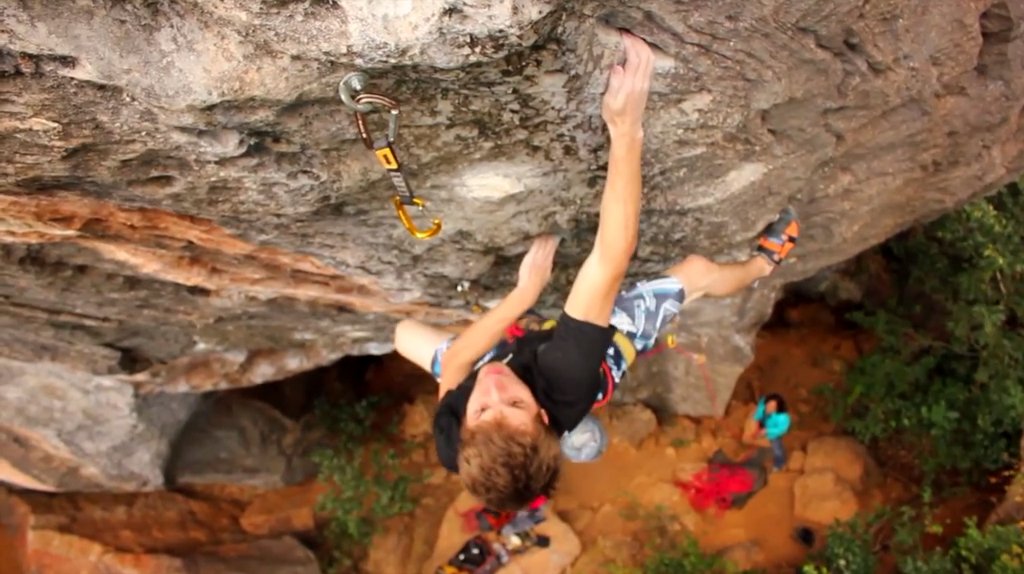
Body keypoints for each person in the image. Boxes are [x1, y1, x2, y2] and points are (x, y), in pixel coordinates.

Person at [393, 31, 801, 511]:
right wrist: (626, 128)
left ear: (464, 428)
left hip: (508, 352)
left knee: (403, 335)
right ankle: (761, 263)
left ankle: (517, 338)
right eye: (516, 405)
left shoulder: (455, 442)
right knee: (695, 271)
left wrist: (517, 306)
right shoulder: (568, 378)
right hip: (601, 358)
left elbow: (462, 365)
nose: (496, 390)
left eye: (482, 409)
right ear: (543, 414)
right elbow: (610, 257)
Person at [742, 393, 791, 471]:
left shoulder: (783, 418)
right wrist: (756, 428)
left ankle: (779, 464)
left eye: (772, 407)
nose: (769, 408)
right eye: (768, 405)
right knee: (750, 431)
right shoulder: (763, 406)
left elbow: (782, 430)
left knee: (777, 449)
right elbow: (758, 414)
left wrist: (767, 431)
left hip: (773, 431)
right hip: (764, 423)